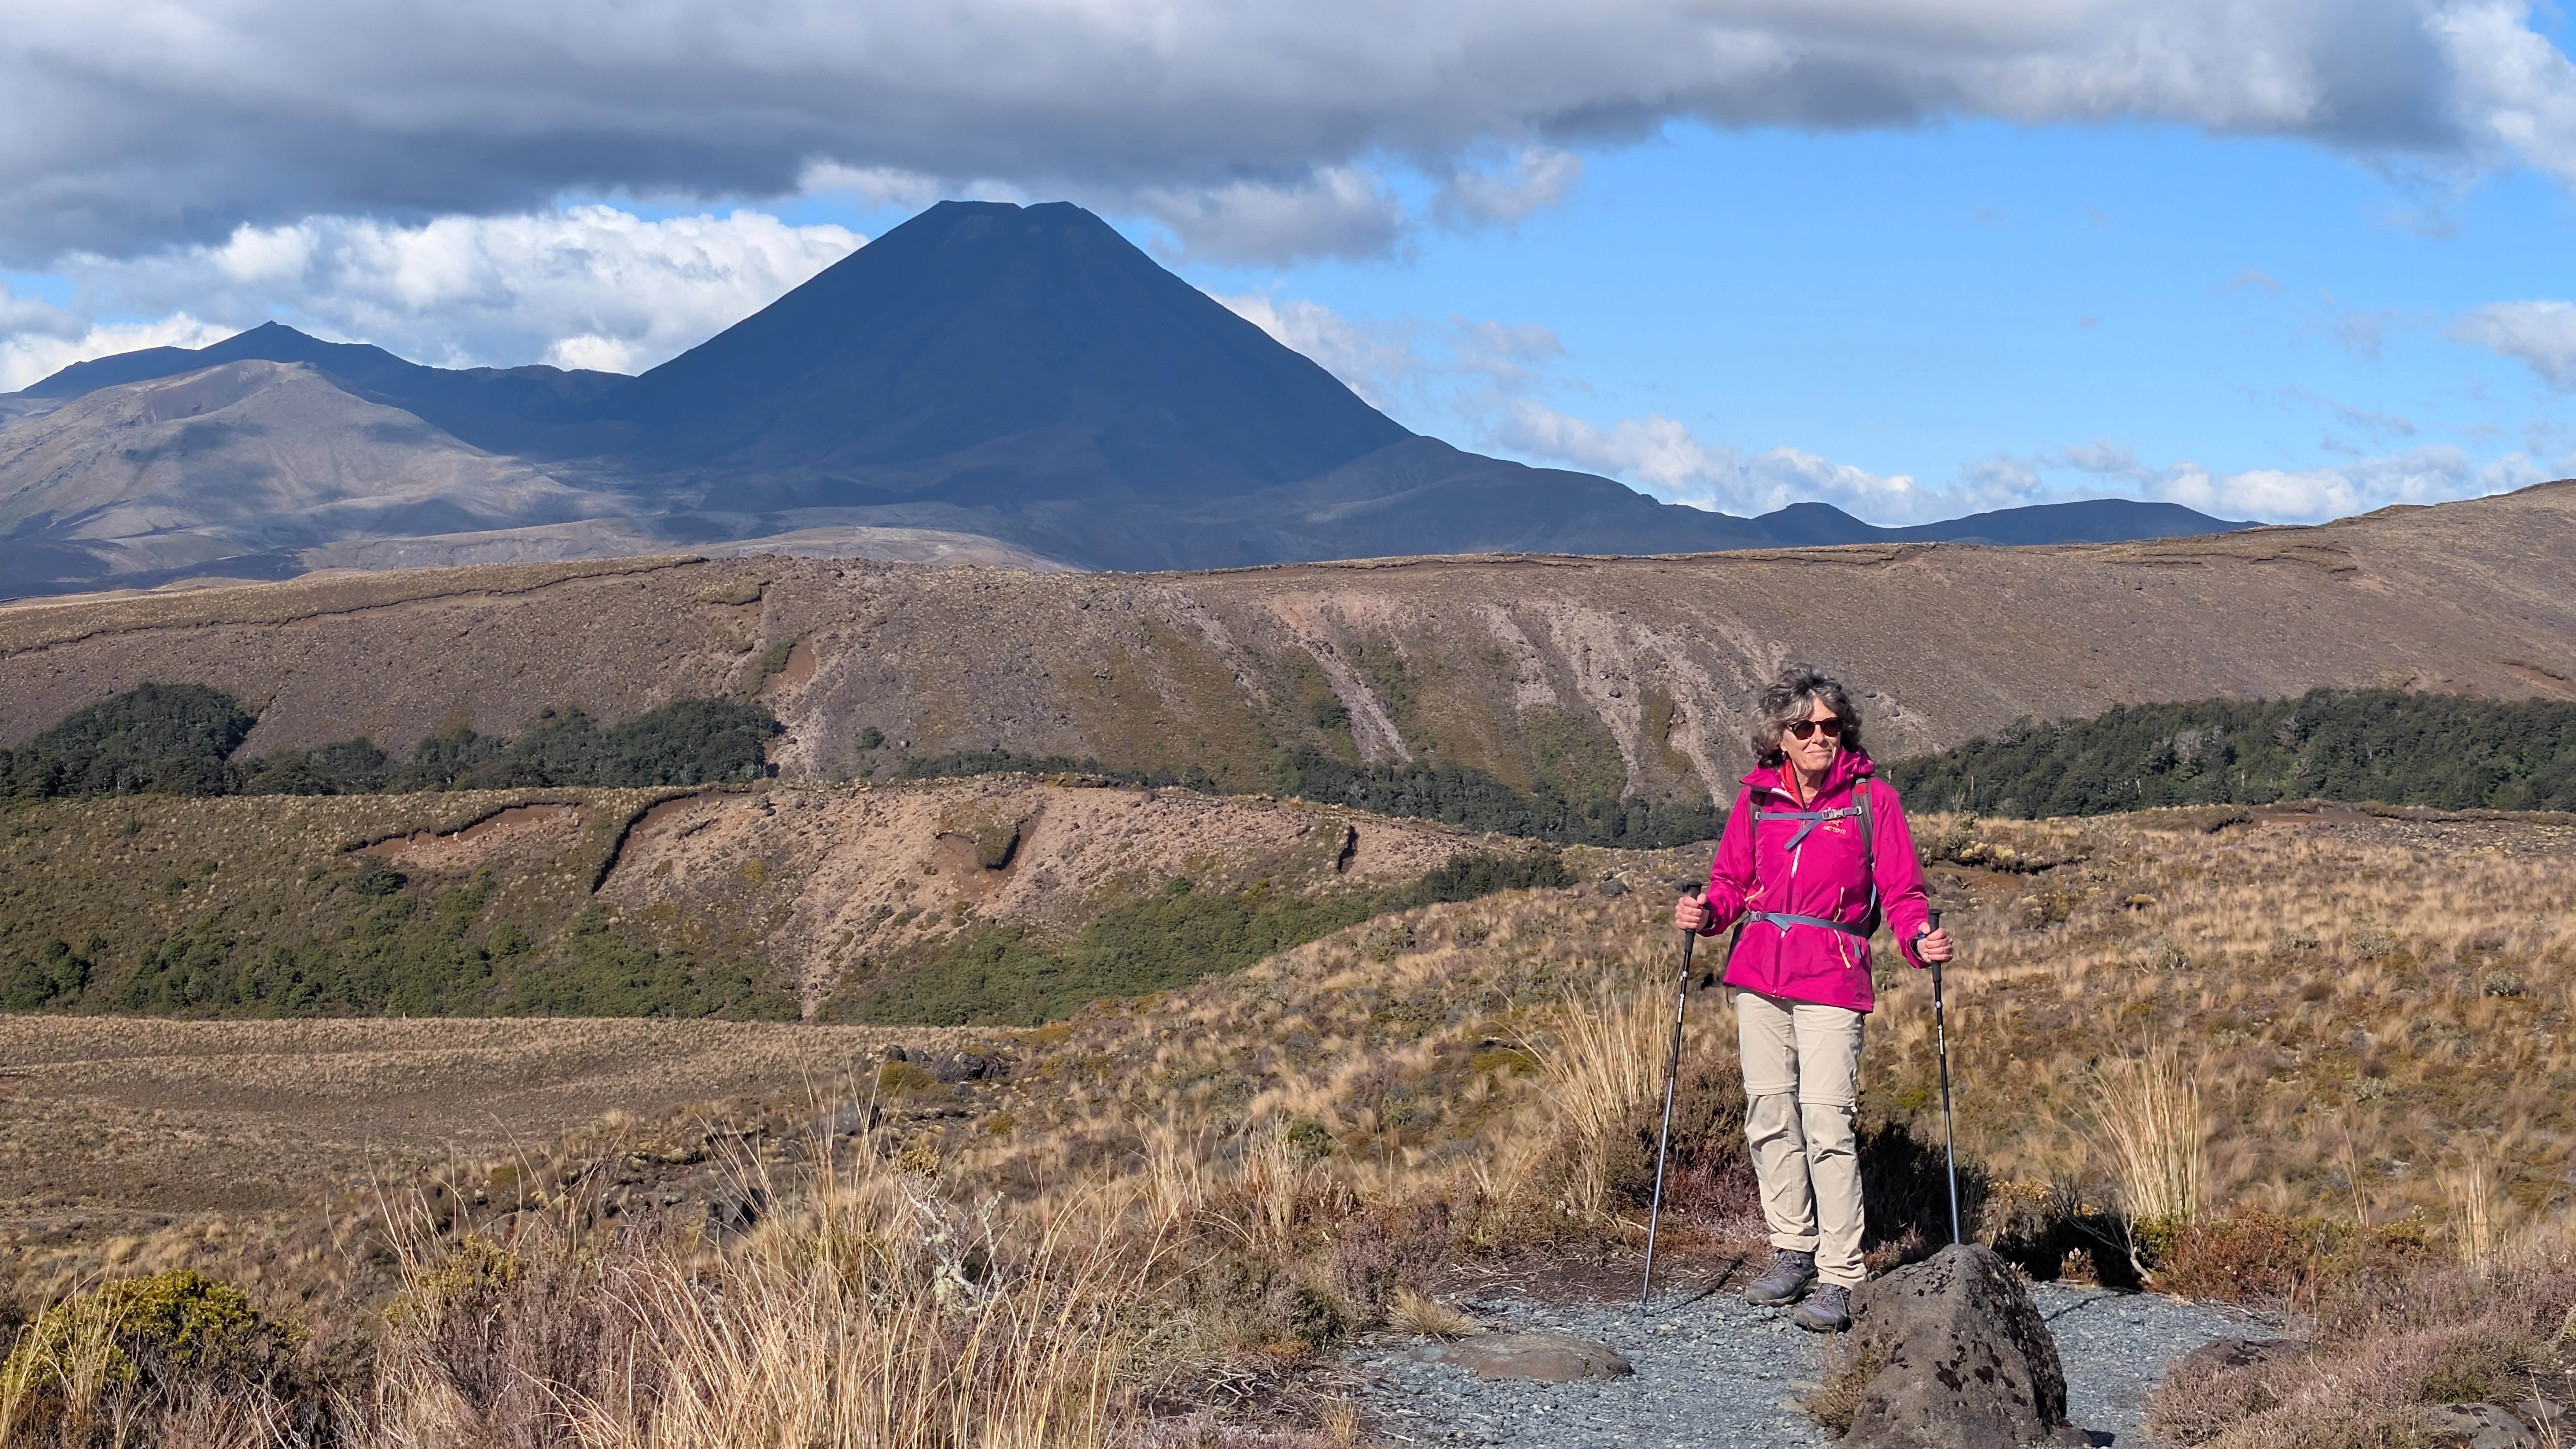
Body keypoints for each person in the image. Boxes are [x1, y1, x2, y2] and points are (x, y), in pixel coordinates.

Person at [1672, 664, 1952, 1333]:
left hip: (1833, 973)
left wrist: (1919, 942)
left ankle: (1839, 1275)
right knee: (1769, 1116)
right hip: (1759, 974)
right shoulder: (1757, 800)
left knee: (1828, 1122)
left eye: (1831, 725)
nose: (1821, 736)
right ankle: (1791, 1250)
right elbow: (1732, 882)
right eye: (1806, 728)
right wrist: (1708, 913)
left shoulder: (1871, 800)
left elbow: (1905, 892)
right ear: (1780, 738)